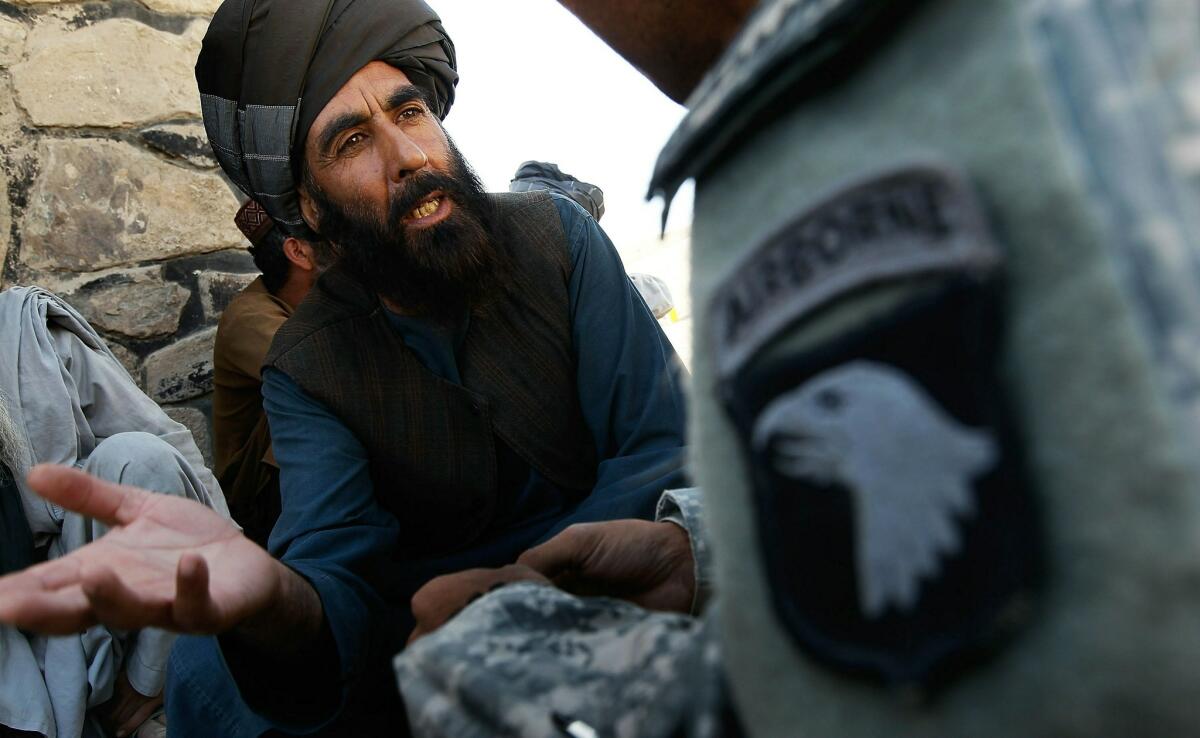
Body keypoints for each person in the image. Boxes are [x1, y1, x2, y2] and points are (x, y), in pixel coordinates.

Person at [0, 287, 229, 738]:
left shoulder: (29, 336)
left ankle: (150, 685)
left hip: (79, 580)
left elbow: (165, 444)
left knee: (139, 457)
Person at [213, 200, 327, 546]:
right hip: (258, 501)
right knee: (313, 406)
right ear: (298, 251)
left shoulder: (320, 303)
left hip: (297, 481)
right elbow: (330, 377)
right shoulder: (250, 318)